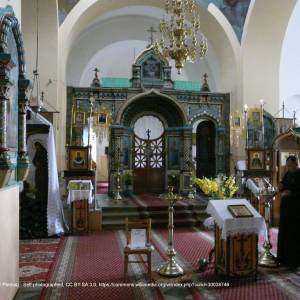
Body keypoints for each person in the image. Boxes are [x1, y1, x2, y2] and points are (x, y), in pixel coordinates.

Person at [277, 155, 300, 269]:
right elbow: (283, 186)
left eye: (290, 165)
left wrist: (291, 193)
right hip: (286, 209)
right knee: (284, 233)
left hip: (296, 211)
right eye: (287, 165)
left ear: (296, 164)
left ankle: (294, 262)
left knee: (293, 235)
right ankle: (283, 258)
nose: (288, 167)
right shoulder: (287, 174)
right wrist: (280, 187)